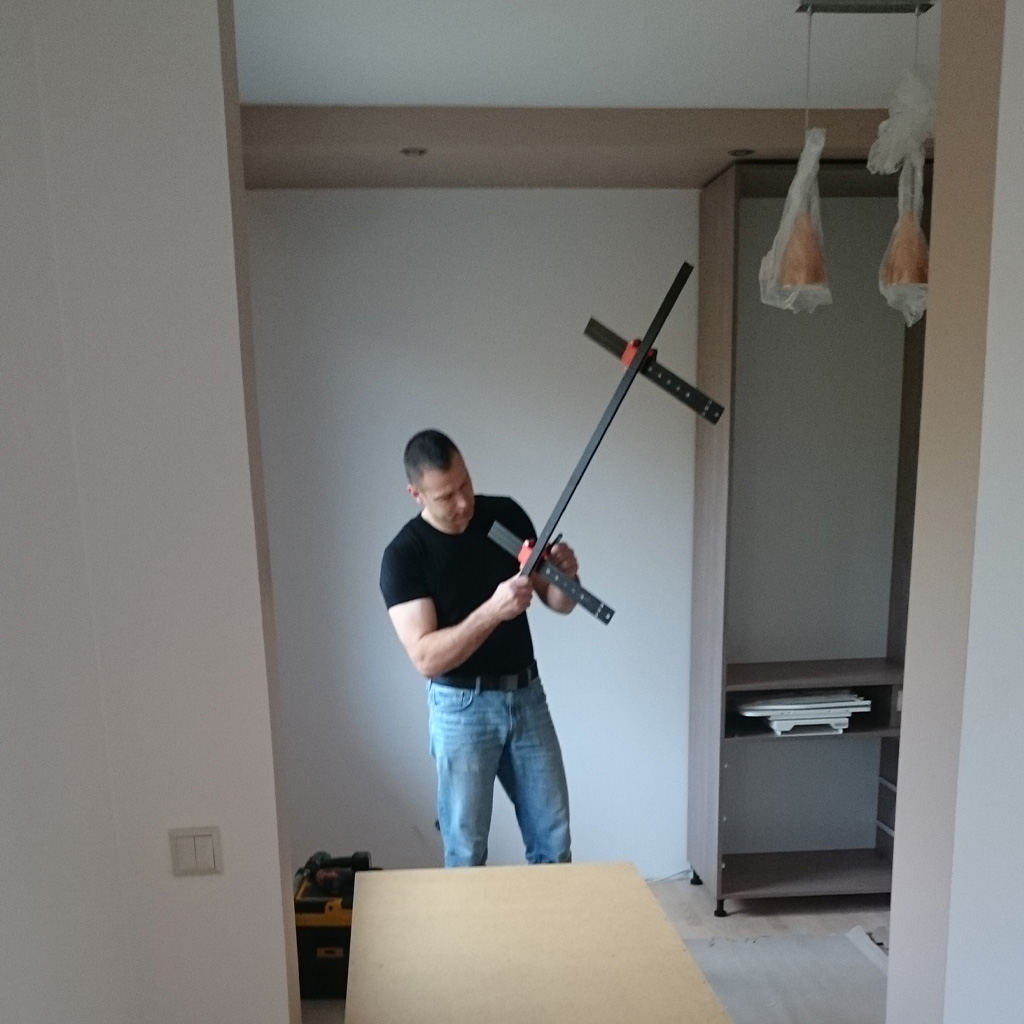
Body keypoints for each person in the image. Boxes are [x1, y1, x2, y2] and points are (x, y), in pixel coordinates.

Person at [379, 429, 580, 867]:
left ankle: (549, 917)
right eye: (446, 496)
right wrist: (492, 611)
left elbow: (557, 601)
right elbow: (425, 658)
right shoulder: (405, 556)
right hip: (461, 708)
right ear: (416, 494)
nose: (463, 502)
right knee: (466, 852)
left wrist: (567, 577)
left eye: (465, 484)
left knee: (554, 842)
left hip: (527, 697)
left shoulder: (503, 516)